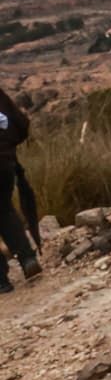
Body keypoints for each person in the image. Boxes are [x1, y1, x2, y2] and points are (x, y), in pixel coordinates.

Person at [0, 85, 42, 293]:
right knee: (5, 210)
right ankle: (27, 258)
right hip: (4, 165)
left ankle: (1, 279)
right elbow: (21, 124)